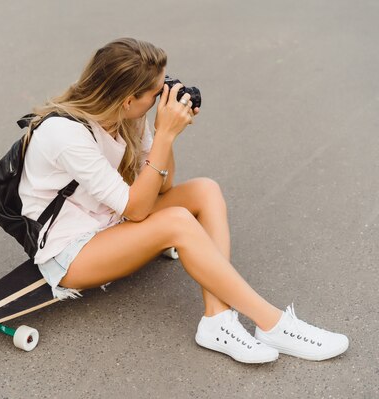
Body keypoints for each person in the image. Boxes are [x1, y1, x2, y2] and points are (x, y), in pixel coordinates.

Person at [18, 38, 349, 363]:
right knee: (177, 222)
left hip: (108, 220)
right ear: (127, 100)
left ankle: (217, 320)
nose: (165, 96)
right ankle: (273, 323)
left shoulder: (128, 116)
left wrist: (167, 134)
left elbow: (164, 185)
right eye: (156, 93)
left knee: (205, 189)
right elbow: (138, 209)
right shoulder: (65, 135)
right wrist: (164, 134)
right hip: (69, 252)